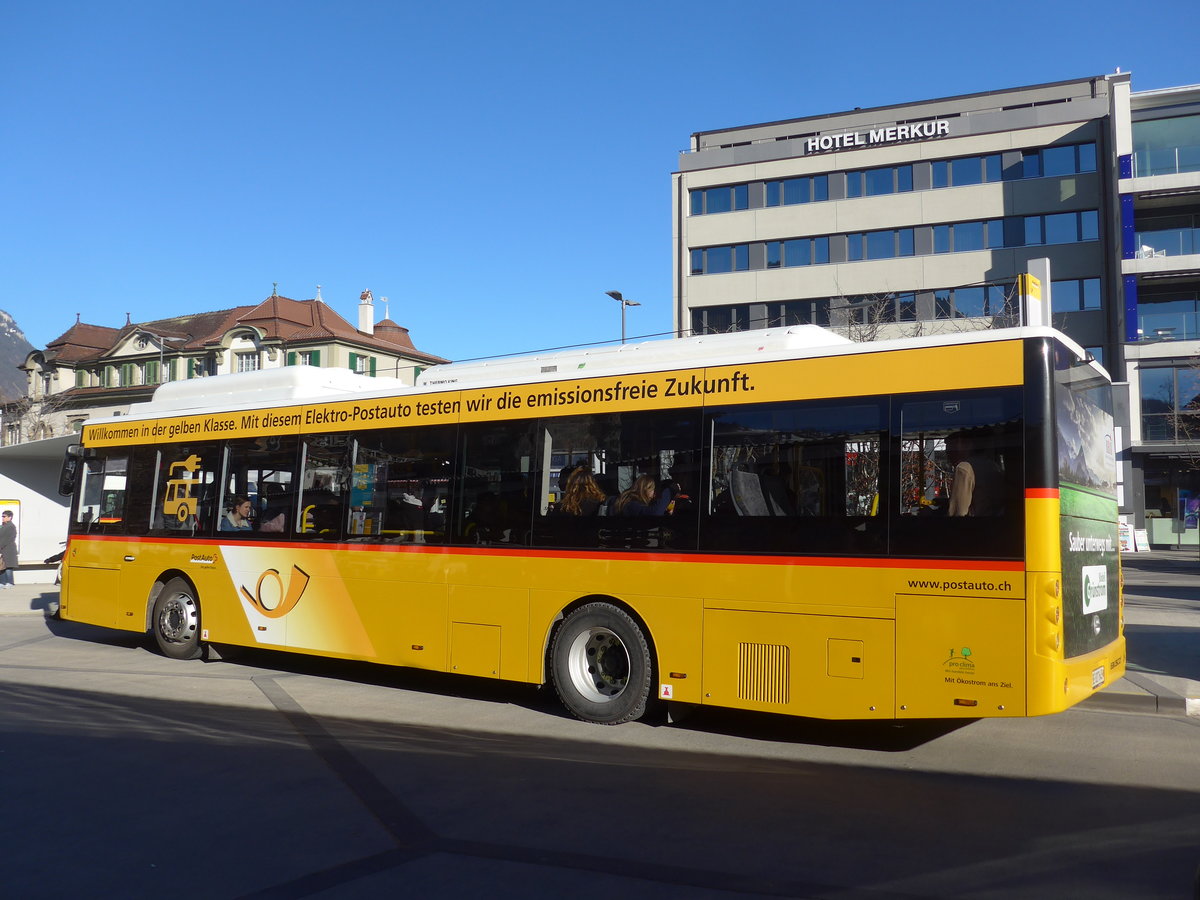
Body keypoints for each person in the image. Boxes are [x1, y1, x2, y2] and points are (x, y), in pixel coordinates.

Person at [946, 432, 1004, 517]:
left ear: (965, 445)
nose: (949, 457)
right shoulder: (992, 465)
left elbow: (959, 512)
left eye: (951, 451)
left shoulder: (964, 468)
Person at [0, 510, 16, 589]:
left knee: (8, 567)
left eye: (4, 516)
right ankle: (2, 582)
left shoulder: (10, 526)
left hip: (9, 549)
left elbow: (6, 539)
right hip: (3, 549)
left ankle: (10, 582)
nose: (2, 518)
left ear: (10, 517)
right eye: (2, 516)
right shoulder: (4, 525)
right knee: (2, 566)